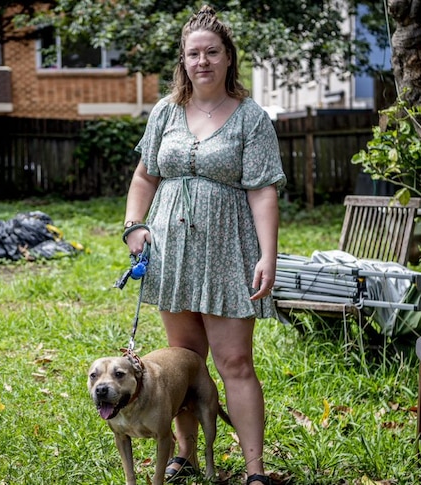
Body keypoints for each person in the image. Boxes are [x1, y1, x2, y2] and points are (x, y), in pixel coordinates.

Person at [121, 5, 286, 485]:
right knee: (183, 362)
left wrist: (268, 255)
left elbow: (263, 190)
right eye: (194, 53)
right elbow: (144, 175)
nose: (203, 61)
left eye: (212, 52)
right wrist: (134, 225)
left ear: (229, 57)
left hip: (227, 250)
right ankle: (186, 453)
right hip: (172, 252)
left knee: (235, 362)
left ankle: (254, 470)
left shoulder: (251, 118)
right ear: (183, 59)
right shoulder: (166, 110)